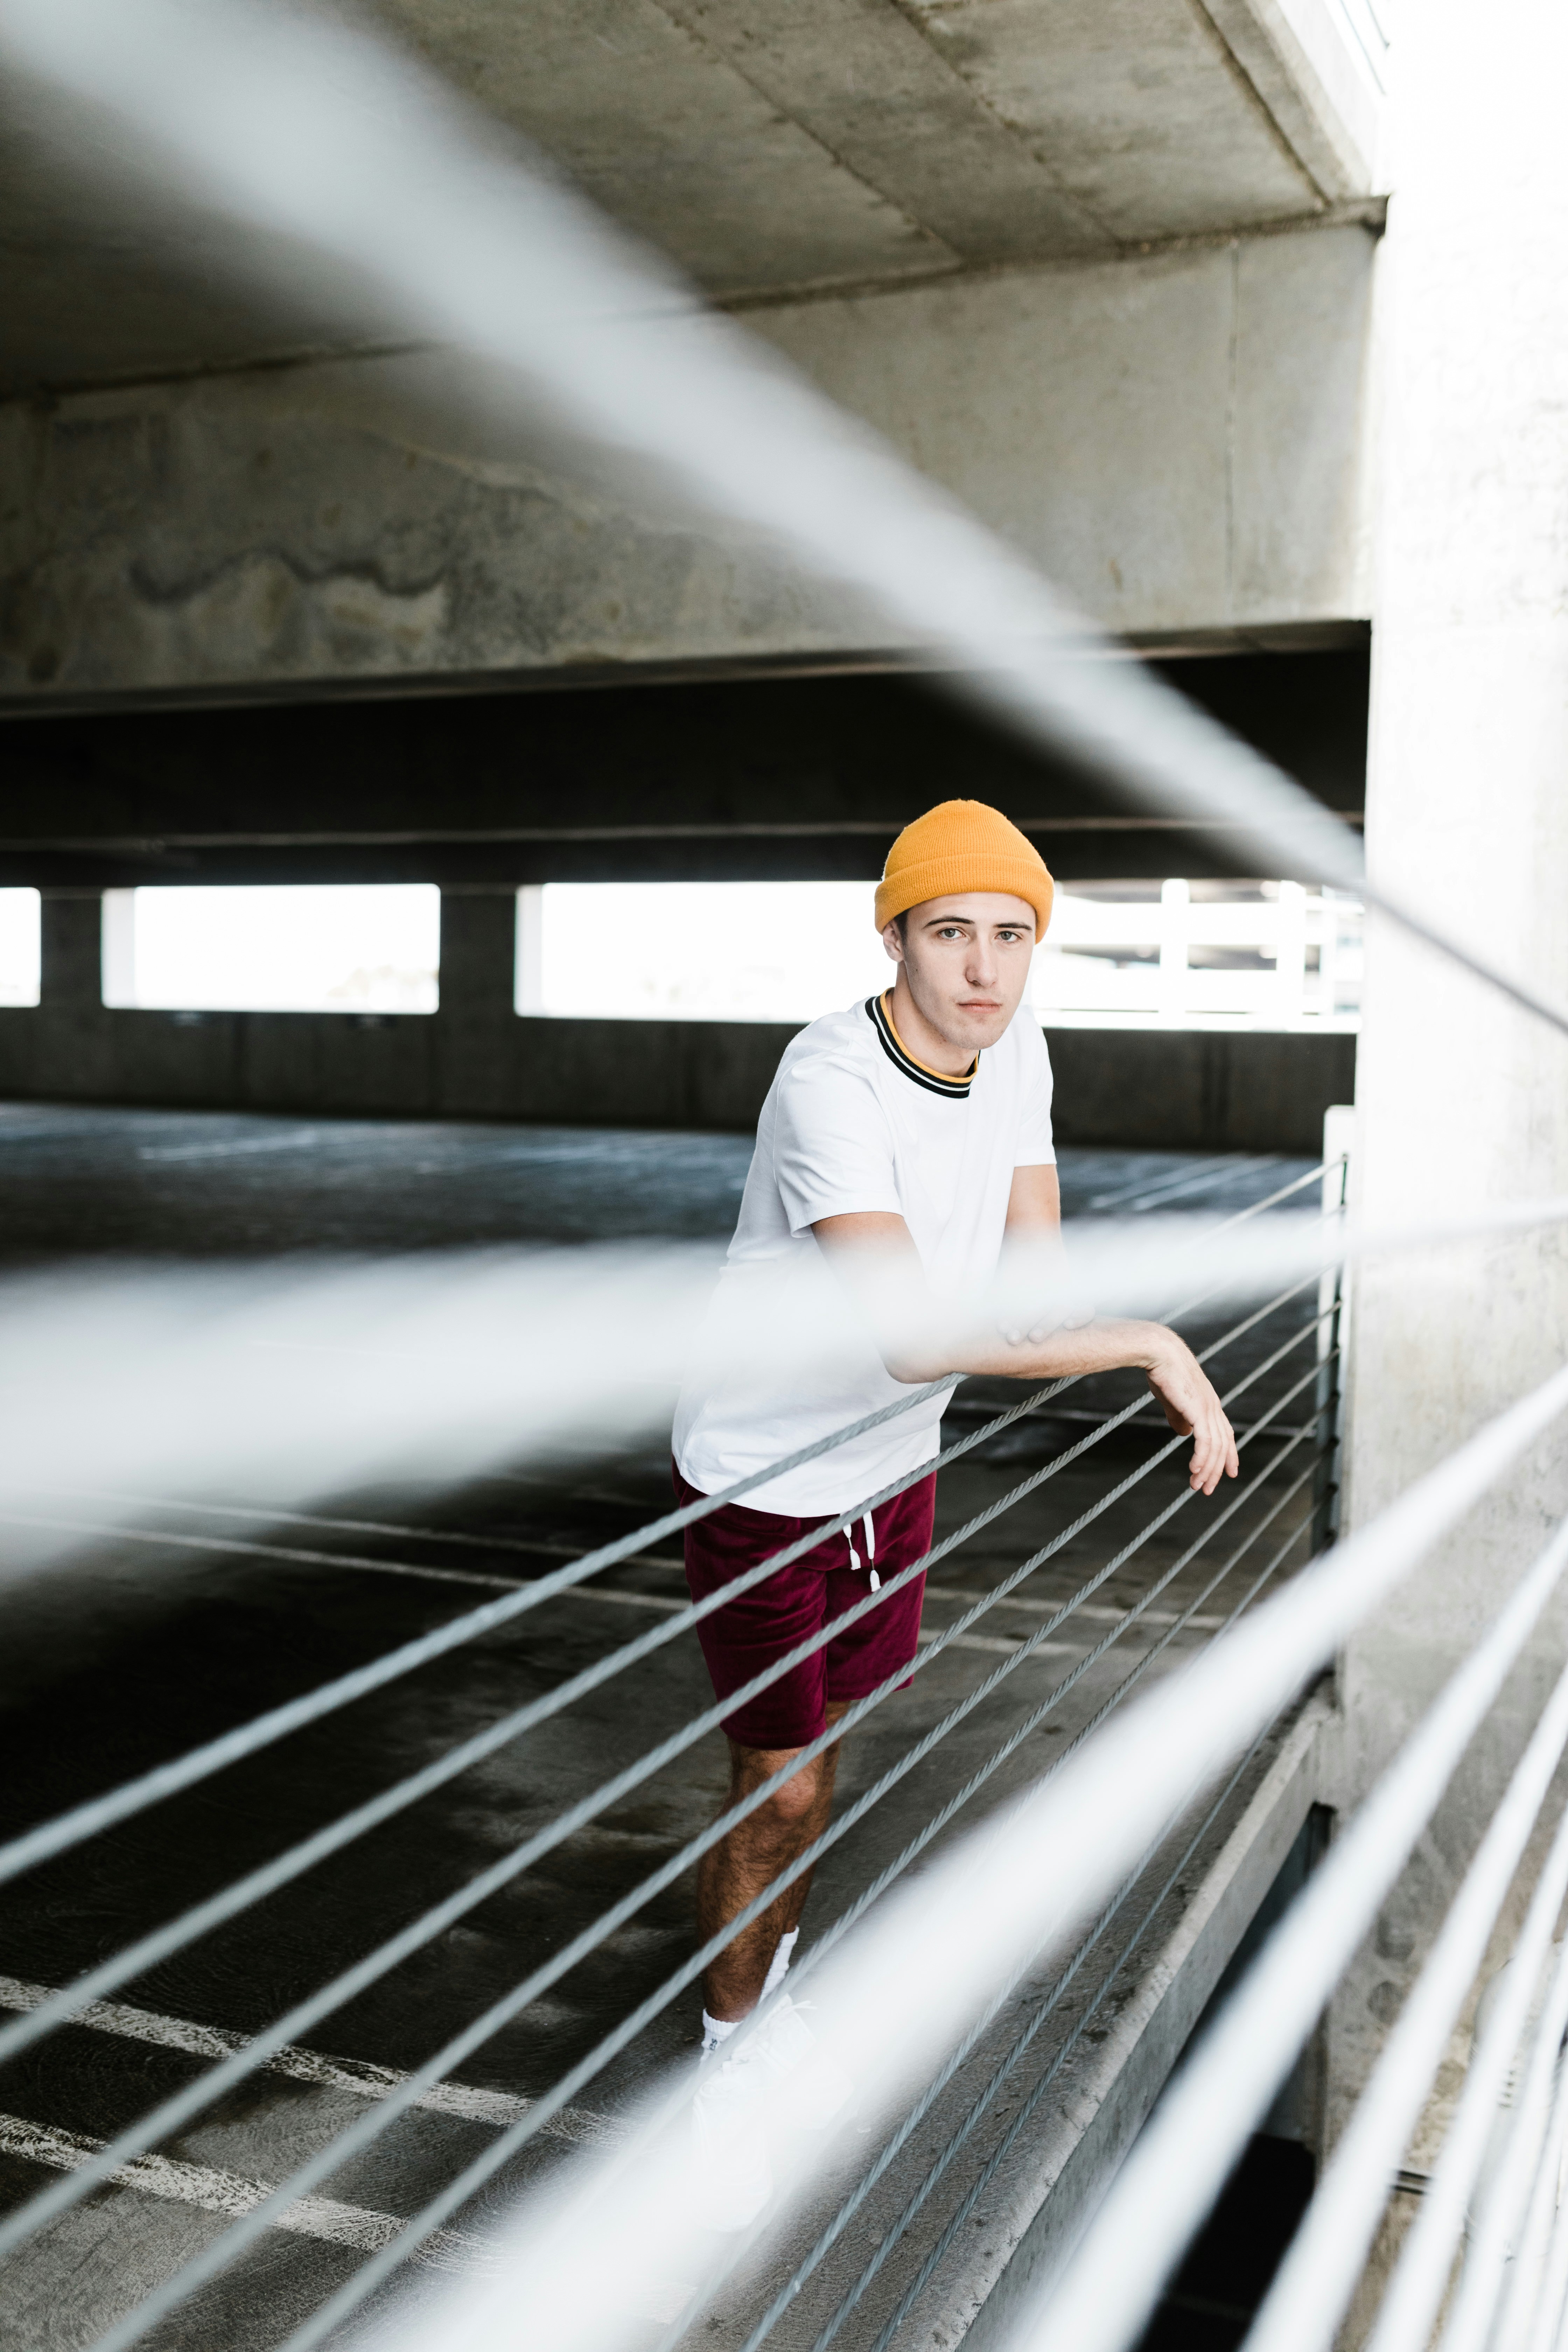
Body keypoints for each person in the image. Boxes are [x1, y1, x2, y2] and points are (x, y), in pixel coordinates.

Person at [671, 799, 1237, 2215]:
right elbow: (921, 1337)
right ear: (895, 936)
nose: (983, 973)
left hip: (890, 1472)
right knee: (780, 1782)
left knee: (820, 1767)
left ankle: (769, 2001)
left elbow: (1022, 1295)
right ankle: (721, 2072)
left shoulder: (1016, 1048)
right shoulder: (830, 1082)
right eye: (949, 935)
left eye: (1009, 937)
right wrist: (1151, 1344)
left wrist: (1076, 1321)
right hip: (767, 1476)